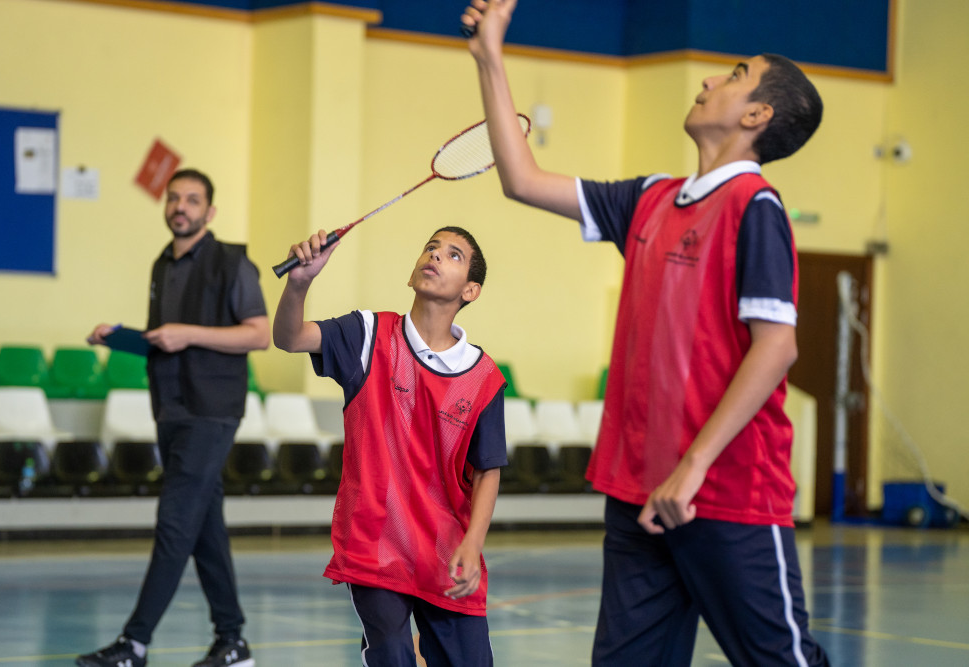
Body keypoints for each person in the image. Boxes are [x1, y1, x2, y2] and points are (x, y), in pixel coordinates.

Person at [462, 1, 831, 665]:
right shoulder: (652, 199)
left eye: (735, 75)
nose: (708, 81)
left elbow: (777, 347)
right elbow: (522, 179)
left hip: (726, 494)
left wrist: (692, 468)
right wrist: (491, 54)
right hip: (638, 492)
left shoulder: (757, 207)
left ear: (756, 116)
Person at [272, 226, 507, 666]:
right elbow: (289, 338)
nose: (435, 256)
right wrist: (299, 283)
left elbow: (488, 468)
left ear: (471, 290)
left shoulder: (484, 378)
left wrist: (474, 543)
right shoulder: (368, 335)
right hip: (375, 543)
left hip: (447, 552)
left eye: (453, 255)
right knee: (394, 656)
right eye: (431, 247)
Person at [79, 169, 269, 667]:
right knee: (205, 528)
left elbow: (257, 334)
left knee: (175, 523)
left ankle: (134, 643)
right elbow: (167, 338)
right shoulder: (161, 265)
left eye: (192, 200)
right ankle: (232, 642)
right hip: (170, 407)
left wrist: (187, 333)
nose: (180, 206)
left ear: (210, 211)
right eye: (174, 198)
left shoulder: (233, 261)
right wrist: (121, 337)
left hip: (212, 411)